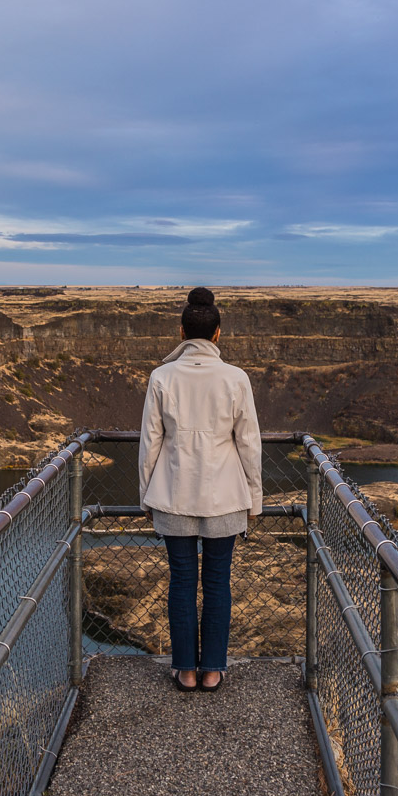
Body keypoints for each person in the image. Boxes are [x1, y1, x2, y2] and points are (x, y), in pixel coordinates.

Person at [138, 286, 264, 692]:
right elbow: (249, 443)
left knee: (180, 582)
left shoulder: (161, 377)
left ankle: (185, 672)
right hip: (225, 498)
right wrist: (255, 501)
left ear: (181, 332)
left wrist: (146, 495)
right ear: (218, 334)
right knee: (217, 583)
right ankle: (212, 670)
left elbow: (150, 443)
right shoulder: (235, 379)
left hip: (173, 495)